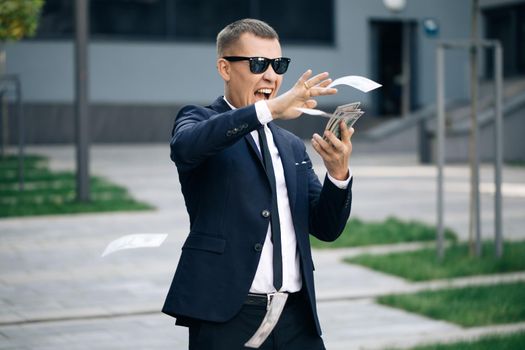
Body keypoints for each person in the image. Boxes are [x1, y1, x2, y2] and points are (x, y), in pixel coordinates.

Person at [163, 18, 354, 350]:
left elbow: (326, 228)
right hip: (227, 315)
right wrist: (268, 109)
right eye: (257, 64)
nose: (271, 75)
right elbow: (186, 147)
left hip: (295, 316)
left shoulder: (291, 145)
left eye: (278, 64)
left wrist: (338, 175)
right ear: (225, 68)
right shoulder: (198, 120)